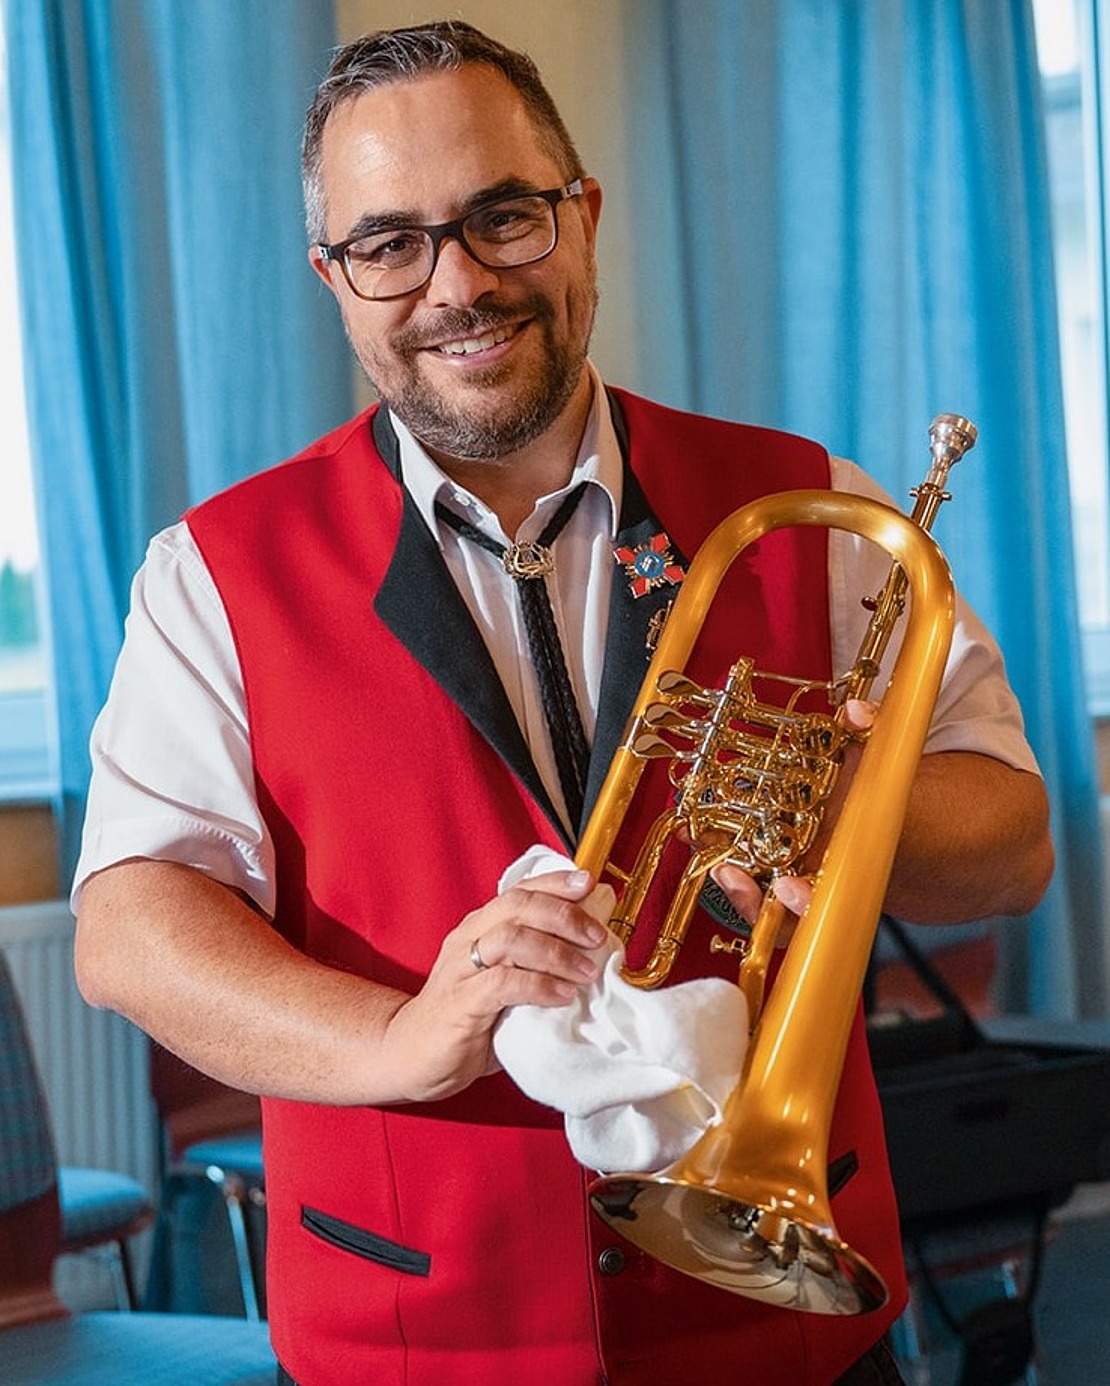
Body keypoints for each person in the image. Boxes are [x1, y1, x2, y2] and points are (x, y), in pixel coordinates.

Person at [72, 20, 1053, 1386]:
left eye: (503, 216)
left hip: (786, 1309)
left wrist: (838, 803)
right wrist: (404, 1038)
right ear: (332, 277)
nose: (457, 283)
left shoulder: (809, 502)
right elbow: (128, 930)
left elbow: (1010, 842)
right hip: (419, 1330)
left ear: (583, 217)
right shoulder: (213, 572)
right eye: (389, 243)